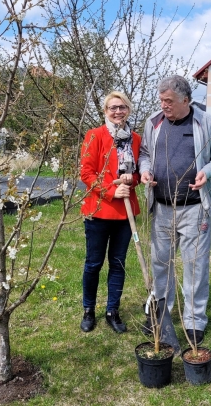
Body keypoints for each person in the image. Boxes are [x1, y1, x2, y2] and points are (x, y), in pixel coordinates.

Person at [138, 75, 211, 345]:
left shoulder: (204, 121)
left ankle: (194, 320)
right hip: (162, 207)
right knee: (160, 264)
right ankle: (161, 316)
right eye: (161, 100)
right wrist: (145, 171)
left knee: (195, 266)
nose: (164, 105)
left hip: (194, 207)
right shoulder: (154, 122)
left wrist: (206, 172)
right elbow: (144, 154)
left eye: (169, 101)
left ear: (186, 100)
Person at [79, 91, 141, 334]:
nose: (118, 112)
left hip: (125, 214)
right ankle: (88, 310)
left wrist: (132, 179)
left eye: (122, 107)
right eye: (113, 108)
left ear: (128, 110)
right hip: (99, 210)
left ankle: (112, 310)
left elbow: (138, 172)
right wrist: (109, 192)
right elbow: (86, 173)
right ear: (105, 111)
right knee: (93, 263)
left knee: (118, 263)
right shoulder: (94, 136)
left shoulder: (135, 138)